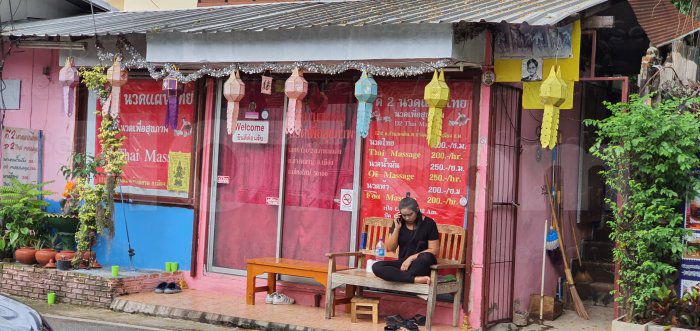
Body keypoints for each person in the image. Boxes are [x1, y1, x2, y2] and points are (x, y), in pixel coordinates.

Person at [372, 193, 439, 284]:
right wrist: (397, 228)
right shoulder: (399, 222)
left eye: (410, 214)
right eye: (404, 215)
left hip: (420, 263)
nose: (407, 218)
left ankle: (401, 277)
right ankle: (415, 279)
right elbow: (391, 248)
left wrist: (411, 258)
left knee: (426, 256)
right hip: (403, 264)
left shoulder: (429, 223)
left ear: (417, 209)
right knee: (376, 266)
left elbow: (434, 250)